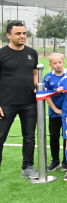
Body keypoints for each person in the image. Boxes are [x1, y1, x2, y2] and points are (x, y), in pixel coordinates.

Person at [0, 21, 40, 179]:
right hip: (6, 103)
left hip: (29, 103)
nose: (22, 36)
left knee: (29, 136)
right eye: (18, 33)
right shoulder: (1, 53)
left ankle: (27, 166)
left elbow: (34, 73)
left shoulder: (32, 52)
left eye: (24, 33)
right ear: (8, 35)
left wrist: (37, 87)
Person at [44, 53, 67, 172]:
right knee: (54, 136)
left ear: (64, 62)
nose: (58, 65)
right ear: (50, 64)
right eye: (54, 63)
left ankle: (66, 161)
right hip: (54, 112)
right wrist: (55, 109)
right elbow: (46, 95)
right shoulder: (48, 77)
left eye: (60, 62)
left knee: (66, 136)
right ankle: (55, 161)